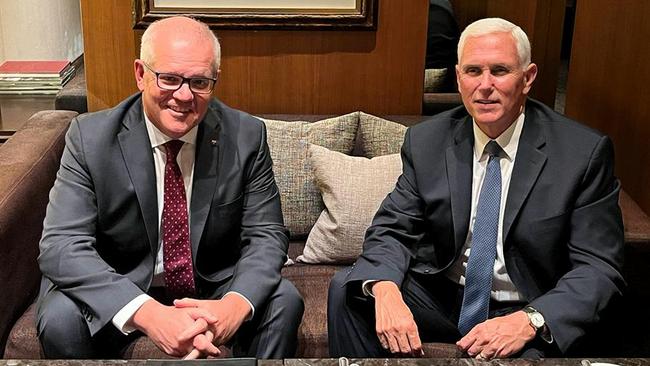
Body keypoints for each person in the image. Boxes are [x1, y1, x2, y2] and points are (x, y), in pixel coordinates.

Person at [328, 17, 624, 359]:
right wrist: (384, 289)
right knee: (348, 291)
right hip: (445, 298)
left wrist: (531, 320)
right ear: (458, 78)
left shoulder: (581, 153)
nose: (484, 85)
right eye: (473, 71)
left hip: (527, 304)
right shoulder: (428, 140)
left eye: (499, 71)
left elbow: (599, 267)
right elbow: (392, 229)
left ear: (527, 78)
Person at [36, 16, 303, 359]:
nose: (183, 95)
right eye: (170, 78)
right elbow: (61, 245)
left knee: (284, 300)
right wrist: (148, 313)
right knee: (59, 317)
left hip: (209, 286)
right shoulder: (90, 139)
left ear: (214, 82)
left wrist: (232, 307)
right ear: (140, 74)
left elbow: (266, 235)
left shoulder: (246, 136)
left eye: (199, 82)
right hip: (122, 282)